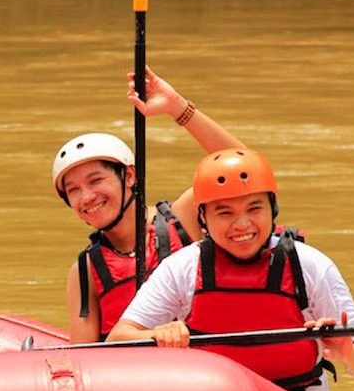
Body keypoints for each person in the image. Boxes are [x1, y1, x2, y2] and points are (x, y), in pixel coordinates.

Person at [107, 148, 354, 391]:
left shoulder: (310, 265)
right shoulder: (182, 267)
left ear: (272, 208)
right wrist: (156, 335)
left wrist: (347, 352)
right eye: (225, 213)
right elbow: (116, 342)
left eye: (254, 209)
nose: (242, 225)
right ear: (203, 217)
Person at [53, 67, 245, 343]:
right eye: (73, 190)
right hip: (137, 370)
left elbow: (243, 167)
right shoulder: (84, 271)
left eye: (96, 181)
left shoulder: (183, 218)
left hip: (206, 365)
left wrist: (178, 108)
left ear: (129, 176)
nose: (86, 197)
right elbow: (85, 356)